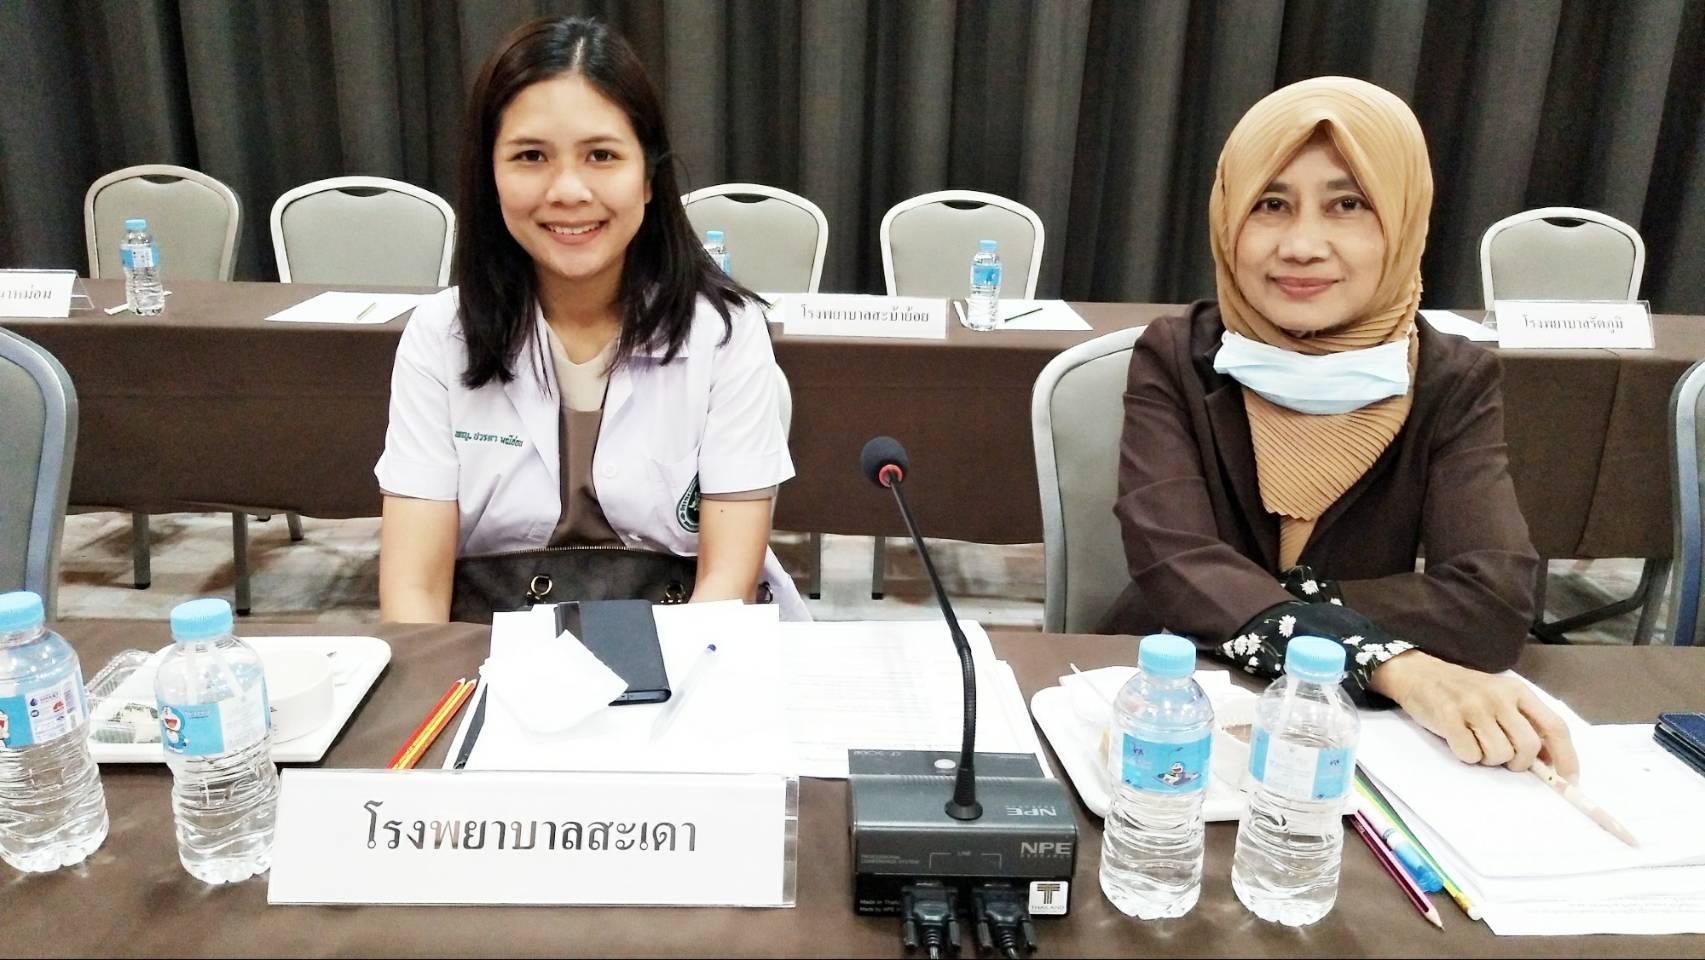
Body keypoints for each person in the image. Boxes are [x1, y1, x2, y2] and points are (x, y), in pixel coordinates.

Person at [1108, 76, 1578, 778]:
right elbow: (1173, 562)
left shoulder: (1452, 378)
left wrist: (1270, 608)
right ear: (1228, 216)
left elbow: (1491, 602)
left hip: (1353, 734)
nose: (1302, 244)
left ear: (1404, 220)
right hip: (1170, 704)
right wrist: (1383, 658)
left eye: (1348, 204)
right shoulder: (1176, 355)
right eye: (1270, 204)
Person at [375, 16, 805, 623]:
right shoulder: (439, 336)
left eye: (601, 155)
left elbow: (724, 587)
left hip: (684, 642)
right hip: (490, 650)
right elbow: (414, 594)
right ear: (490, 175)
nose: (569, 191)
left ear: (649, 177)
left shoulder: (725, 334)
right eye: (531, 156)